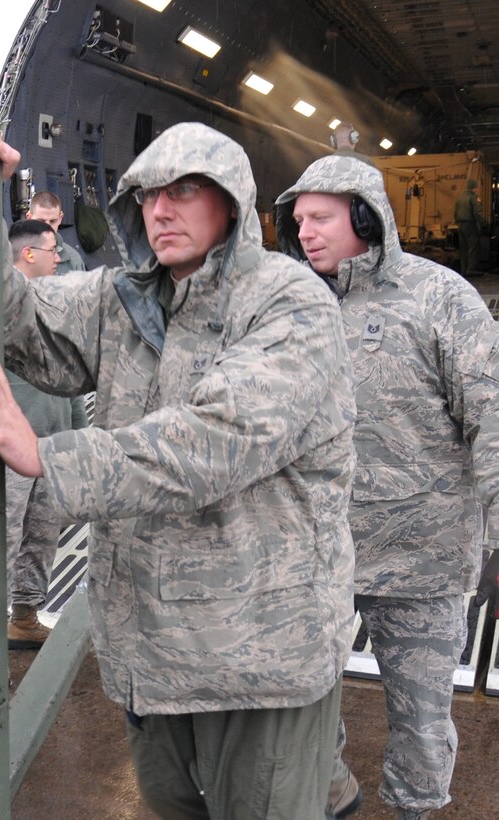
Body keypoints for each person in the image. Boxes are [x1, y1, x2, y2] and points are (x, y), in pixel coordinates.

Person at [0, 121, 358, 819]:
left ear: (229, 202)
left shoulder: (288, 303)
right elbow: (16, 323)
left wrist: (49, 457)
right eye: (146, 195)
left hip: (256, 659)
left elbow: (215, 440)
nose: (161, 210)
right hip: (152, 655)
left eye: (185, 190)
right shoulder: (122, 299)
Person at [275, 155, 499, 820]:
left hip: (420, 563)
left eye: (320, 217)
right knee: (293, 703)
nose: (304, 231)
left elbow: (491, 417)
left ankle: (415, 811)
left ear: (365, 217)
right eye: (298, 220)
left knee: (421, 717)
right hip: (315, 554)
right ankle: (327, 791)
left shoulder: (438, 298)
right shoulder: (291, 304)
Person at [4, 218, 89, 648]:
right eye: (52, 251)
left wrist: (77, 436)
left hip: (51, 448)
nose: (60, 258)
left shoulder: (55, 303)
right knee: (4, 538)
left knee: (41, 537)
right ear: (29, 254)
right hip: (10, 452)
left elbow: (72, 375)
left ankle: (23, 617)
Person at [27, 190, 87, 275]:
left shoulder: (73, 259)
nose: (47, 228)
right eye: (41, 221)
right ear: (29, 218)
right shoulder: (12, 255)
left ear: (60, 219)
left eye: (53, 221)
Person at [454, 178, 486, 277]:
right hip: (470, 224)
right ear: (474, 188)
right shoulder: (473, 197)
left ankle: (463, 270)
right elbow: (477, 212)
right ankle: (471, 269)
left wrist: (457, 222)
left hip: (460, 224)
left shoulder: (460, 197)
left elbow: (455, 212)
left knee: (463, 248)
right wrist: (483, 223)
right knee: (473, 246)